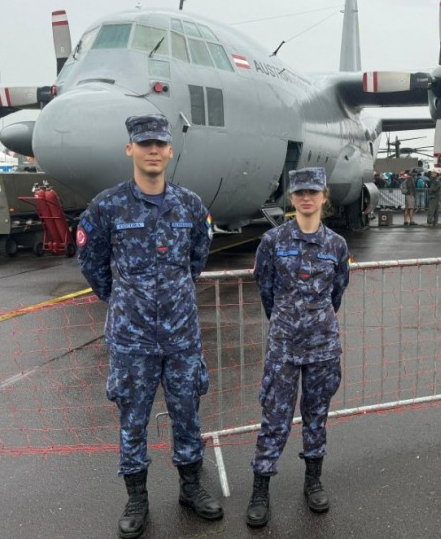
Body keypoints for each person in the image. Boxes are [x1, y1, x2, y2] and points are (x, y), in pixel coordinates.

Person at [77, 114, 222, 539]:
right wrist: (125, 300)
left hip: (181, 338)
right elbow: (92, 264)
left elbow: (197, 259)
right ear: (130, 150)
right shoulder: (107, 207)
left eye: (160, 143)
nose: (153, 150)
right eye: (145, 144)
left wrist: (170, 297)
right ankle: (137, 498)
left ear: (170, 150)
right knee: (132, 420)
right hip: (131, 340)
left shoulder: (191, 206)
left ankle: (191, 488)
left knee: (187, 415)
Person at [246, 166, 350, 528]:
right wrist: (287, 321)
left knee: (316, 415)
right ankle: (261, 489)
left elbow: (337, 292)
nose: (307, 198)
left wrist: (313, 321)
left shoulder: (336, 245)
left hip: (323, 347)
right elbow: (266, 291)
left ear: (324, 196)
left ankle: (313, 480)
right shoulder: (272, 242)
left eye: (313, 192)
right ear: (291, 198)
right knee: (274, 417)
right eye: (300, 192)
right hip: (284, 348)